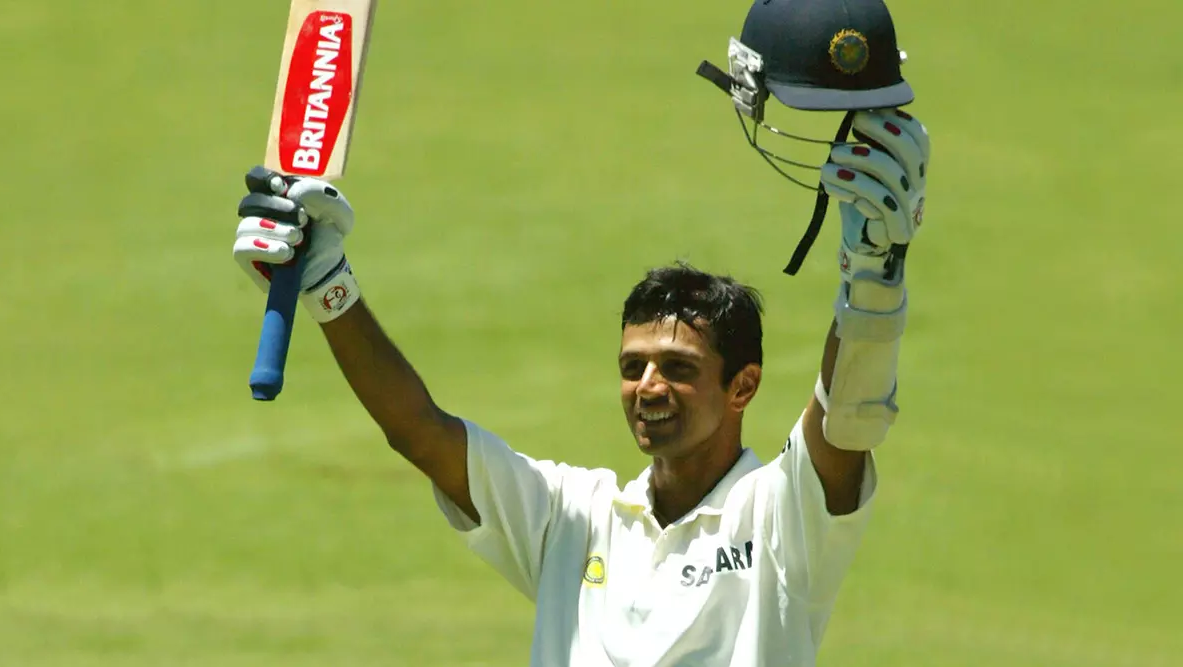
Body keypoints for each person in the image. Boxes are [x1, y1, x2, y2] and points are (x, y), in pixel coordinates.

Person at [229, 0, 930, 664]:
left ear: (742, 385)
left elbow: (848, 420)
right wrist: (330, 287)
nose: (648, 386)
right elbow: (419, 431)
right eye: (633, 366)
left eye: (678, 368)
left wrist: (873, 280)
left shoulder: (781, 518)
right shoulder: (575, 518)